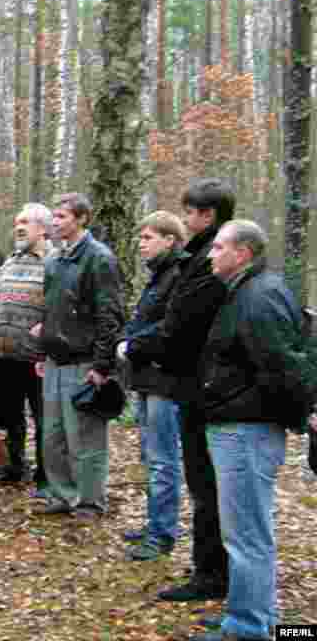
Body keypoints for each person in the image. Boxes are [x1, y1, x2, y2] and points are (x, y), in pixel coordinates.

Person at [187, 220, 304, 641]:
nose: (211, 254)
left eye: (219, 247)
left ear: (244, 253)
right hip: (239, 425)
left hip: (247, 431)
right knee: (243, 531)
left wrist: (294, 414)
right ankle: (252, 614)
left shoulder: (258, 298)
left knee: (246, 534)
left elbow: (284, 366)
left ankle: (251, 626)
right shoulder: (247, 292)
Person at [142, 179, 235, 602]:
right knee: (203, 485)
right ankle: (210, 567)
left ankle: (212, 574)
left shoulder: (205, 264)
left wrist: (143, 346)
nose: (185, 219)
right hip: (192, 381)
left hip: (198, 385)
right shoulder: (198, 258)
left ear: (208, 216)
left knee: (205, 485)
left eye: (191, 212)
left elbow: (183, 323)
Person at [34, 193, 124, 518]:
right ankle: (62, 494)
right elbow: (49, 309)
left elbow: (109, 314)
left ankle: (89, 500)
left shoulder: (99, 258)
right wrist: (43, 349)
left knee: (84, 437)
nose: (55, 223)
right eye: (54, 217)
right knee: (53, 435)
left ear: (81, 219)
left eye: (62, 217)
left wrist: (102, 365)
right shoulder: (55, 260)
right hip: (55, 360)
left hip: (84, 361)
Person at [116, 211, 187, 561]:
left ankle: (162, 533)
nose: (141, 244)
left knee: (163, 460)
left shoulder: (177, 276)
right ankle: (156, 524)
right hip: (147, 377)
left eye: (148, 238)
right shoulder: (159, 275)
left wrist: (132, 345)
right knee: (152, 455)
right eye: (141, 238)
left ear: (170, 239)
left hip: (164, 379)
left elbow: (168, 329)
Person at [0, 203, 51, 491]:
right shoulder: (10, 261)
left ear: (43, 228)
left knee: (44, 419)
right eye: (17, 222)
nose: (19, 227)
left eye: (26, 222)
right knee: (8, 416)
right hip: (6, 355)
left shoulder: (54, 260)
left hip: (40, 359)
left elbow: (64, 306)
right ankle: (13, 466)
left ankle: (47, 473)